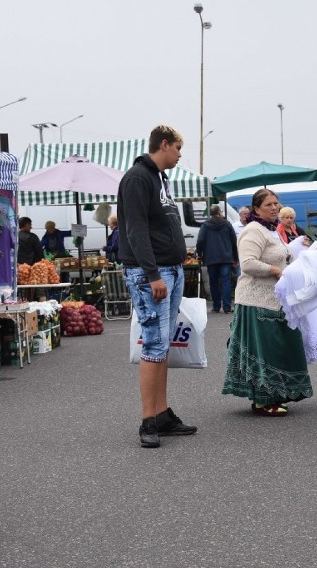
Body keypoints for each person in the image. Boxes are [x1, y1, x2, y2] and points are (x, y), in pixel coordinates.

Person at [117, 125, 197, 448]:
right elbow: (135, 230)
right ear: (163, 145)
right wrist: (152, 274)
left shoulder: (160, 178)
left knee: (162, 345)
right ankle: (147, 420)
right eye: (178, 148)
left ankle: (162, 414)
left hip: (171, 269)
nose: (179, 155)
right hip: (152, 273)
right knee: (153, 344)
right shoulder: (138, 178)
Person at [222, 188, 312, 416]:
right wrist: (274, 270)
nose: (274, 208)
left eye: (276, 204)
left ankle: (274, 394)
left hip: (276, 298)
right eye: (268, 205)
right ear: (256, 209)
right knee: (266, 352)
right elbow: (248, 263)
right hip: (256, 300)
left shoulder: (271, 230)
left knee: (279, 348)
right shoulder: (253, 231)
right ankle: (264, 400)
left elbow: (281, 256)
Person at [196, 204, 238, 313]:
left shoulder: (205, 225)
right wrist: (235, 257)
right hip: (226, 258)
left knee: (213, 282)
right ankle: (227, 307)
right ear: (219, 213)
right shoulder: (227, 224)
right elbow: (234, 242)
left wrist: (199, 253)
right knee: (226, 282)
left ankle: (216, 306)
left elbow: (200, 240)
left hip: (211, 258)